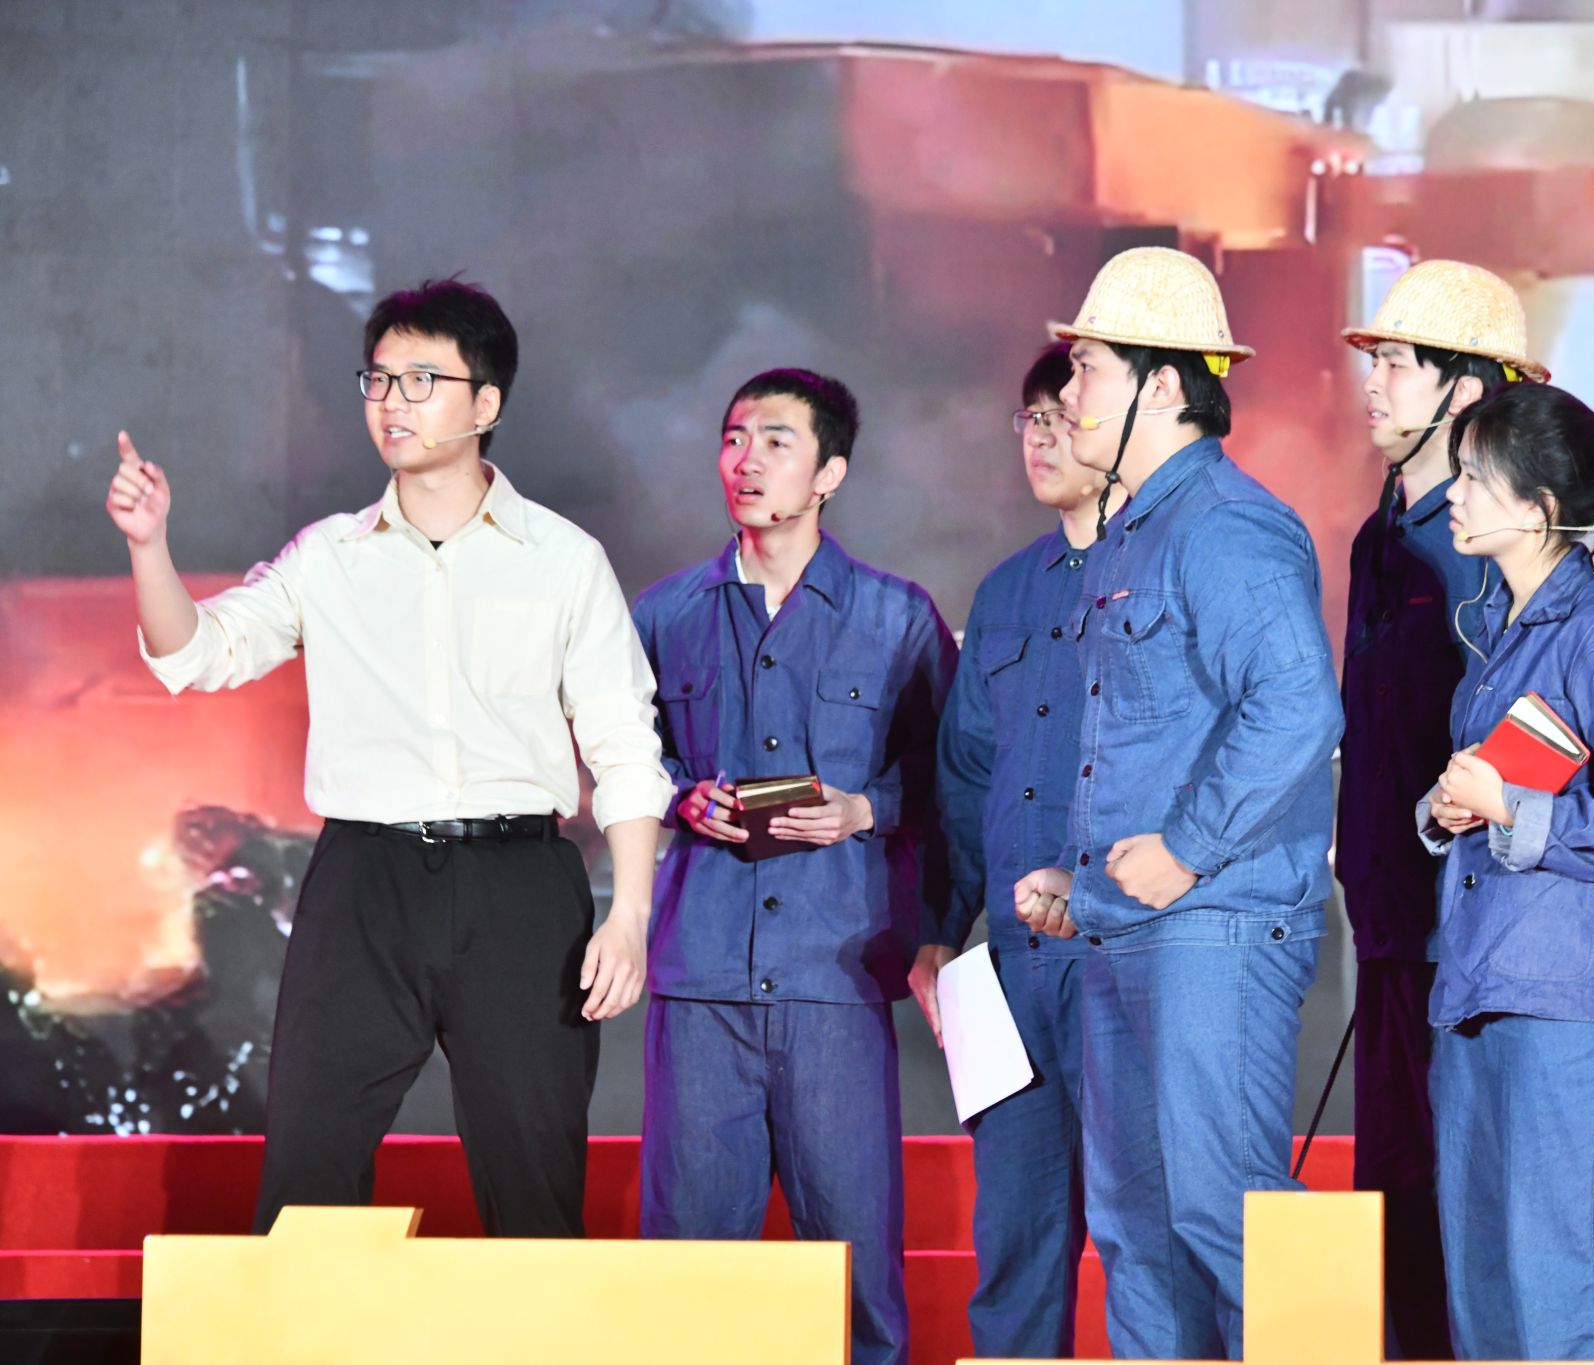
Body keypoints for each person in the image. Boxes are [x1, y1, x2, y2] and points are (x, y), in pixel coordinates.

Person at [103, 276, 671, 1235]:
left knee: (535, 1186)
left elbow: (624, 745)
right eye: (378, 379)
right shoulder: (330, 554)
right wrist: (149, 546)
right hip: (364, 882)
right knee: (309, 1172)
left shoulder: (563, 558)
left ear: (485, 404)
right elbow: (198, 652)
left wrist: (631, 917)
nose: (391, 402)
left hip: (519, 888)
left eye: (421, 380)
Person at [1013, 247, 1343, 1360]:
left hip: (1214, 923)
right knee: (1139, 1230)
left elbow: (1297, 703)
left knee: (1227, 1212)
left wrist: (1187, 848)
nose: (1068, 391)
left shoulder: (1225, 525)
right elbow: (1141, 737)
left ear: (1162, 385)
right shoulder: (1137, 529)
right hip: (1131, 922)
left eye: (1089, 367)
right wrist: (1083, 878)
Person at [632, 368, 955, 1365]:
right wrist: (679, 795)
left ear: (829, 473)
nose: (746, 459)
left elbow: (948, 778)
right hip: (700, 982)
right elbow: (618, 759)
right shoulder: (664, 614)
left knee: (857, 1276)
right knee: (687, 1283)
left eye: (776, 440)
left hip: (834, 979)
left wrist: (865, 808)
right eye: (734, 437)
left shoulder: (897, 618)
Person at [1420, 381, 1594, 1360]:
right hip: (1481, 986)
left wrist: (1507, 807)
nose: (1452, 495)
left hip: (1567, 1000)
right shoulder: (1500, 629)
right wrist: (1444, 809)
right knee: (1485, 1286)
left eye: (1471, 478)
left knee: (1562, 1286)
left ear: (1537, 509)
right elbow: (1490, 793)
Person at [1333, 259, 1547, 1359]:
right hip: (1388, 928)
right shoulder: (1380, 539)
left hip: (1469, 938)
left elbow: (1535, 735)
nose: (1372, 382)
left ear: (1465, 389)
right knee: (1395, 1202)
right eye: (1372, 360)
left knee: (1465, 1207)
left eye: (1397, 362)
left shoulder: (1487, 551)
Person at [917, 342, 1125, 1358]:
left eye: (1061, 417)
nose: (1041, 439)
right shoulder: (1003, 594)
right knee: (1014, 1237)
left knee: (1141, 1235)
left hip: (1122, 953)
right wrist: (936, 929)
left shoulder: (1160, 577)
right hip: (1008, 968)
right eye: (1029, 421)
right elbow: (965, 778)